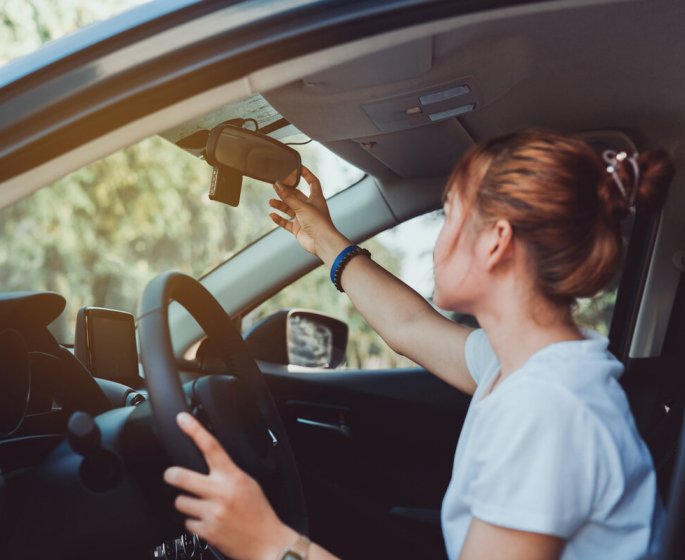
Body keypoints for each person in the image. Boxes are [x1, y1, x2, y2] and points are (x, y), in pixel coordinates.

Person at [163, 129, 674, 559]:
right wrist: (322, 237)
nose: (440, 237)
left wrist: (272, 544)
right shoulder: (524, 364)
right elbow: (408, 326)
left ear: (496, 241)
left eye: (449, 214)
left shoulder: (549, 410)